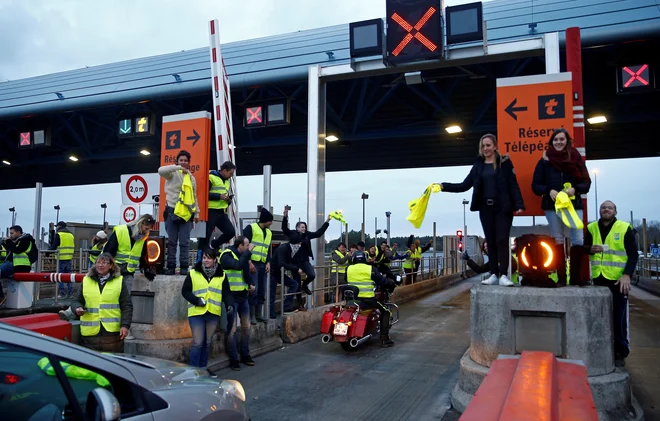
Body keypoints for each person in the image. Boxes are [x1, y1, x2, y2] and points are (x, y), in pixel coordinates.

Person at [441, 133, 525, 286]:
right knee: (491, 242)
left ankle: (503, 275)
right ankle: (493, 274)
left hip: (503, 208)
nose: (486, 148)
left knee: (501, 240)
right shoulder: (478, 166)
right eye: (483, 146)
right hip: (485, 209)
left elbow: (513, 185)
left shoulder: (504, 164)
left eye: (488, 145)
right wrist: (443, 186)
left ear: (494, 146)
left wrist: (519, 204)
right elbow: (464, 185)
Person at [532, 128, 591, 286]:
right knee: (557, 239)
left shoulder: (576, 158)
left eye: (562, 139)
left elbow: (586, 183)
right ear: (552, 142)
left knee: (577, 239)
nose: (559, 142)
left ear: (567, 141)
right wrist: (548, 190)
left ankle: (576, 278)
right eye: (556, 140)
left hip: (574, 205)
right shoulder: (544, 161)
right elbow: (535, 186)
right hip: (552, 207)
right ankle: (561, 279)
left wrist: (575, 189)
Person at [584, 201, 638, 367]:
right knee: (598, 317)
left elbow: (633, 255)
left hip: (618, 280)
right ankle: (599, 348)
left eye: (609, 207)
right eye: (603, 207)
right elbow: (583, 247)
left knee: (619, 317)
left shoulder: (624, 228)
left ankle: (620, 352)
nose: (606, 209)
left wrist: (627, 275)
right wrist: (589, 249)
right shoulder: (591, 227)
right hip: (598, 279)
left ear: (615, 211)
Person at [181, 248, 233, 368]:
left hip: (213, 313)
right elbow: (185, 291)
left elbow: (227, 293)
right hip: (196, 313)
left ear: (215, 259)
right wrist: (196, 300)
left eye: (209, 258)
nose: (206, 260)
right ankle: (193, 370)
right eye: (204, 258)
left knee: (207, 342)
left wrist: (229, 304)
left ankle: (203, 369)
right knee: (198, 342)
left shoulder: (222, 275)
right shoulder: (193, 272)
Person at [71, 253, 133, 352]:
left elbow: (126, 305)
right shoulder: (86, 280)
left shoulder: (119, 281)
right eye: (98, 262)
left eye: (104, 263)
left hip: (112, 334)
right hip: (90, 335)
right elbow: (76, 300)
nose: (100, 265)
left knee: (113, 363)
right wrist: (77, 308)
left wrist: (125, 325)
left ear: (111, 265)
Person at [158, 150, 200, 275]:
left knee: (185, 242)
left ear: (189, 162)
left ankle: (184, 267)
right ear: (177, 161)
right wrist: (177, 167)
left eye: (185, 160)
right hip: (171, 211)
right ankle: (171, 267)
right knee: (171, 241)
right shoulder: (172, 173)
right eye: (181, 160)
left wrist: (196, 213)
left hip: (186, 213)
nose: (183, 162)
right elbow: (161, 170)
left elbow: (194, 196)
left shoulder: (191, 178)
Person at [345, 251, 397, 348]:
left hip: (352, 300)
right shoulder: (370, 269)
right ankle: (385, 339)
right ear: (365, 258)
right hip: (367, 300)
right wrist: (390, 282)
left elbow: (345, 279)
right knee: (386, 312)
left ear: (353, 259)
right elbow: (382, 281)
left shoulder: (349, 268)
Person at [219, 236, 256, 371]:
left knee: (246, 327)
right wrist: (248, 253)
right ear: (240, 246)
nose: (248, 248)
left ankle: (245, 354)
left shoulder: (243, 256)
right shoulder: (226, 255)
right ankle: (234, 359)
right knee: (232, 330)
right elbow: (237, 265)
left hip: (243, 296)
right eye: (246, 246)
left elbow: (245, 274)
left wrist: (251, 284)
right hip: (231, 297)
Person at [281, 206, 331, 295]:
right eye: (302, 227)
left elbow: (318, 233)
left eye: (305, 227)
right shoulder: (292, 234)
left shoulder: (307, 234)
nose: (304, 229)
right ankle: (300, 304)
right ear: (297, 228)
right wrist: (285, 217)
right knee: (297, 282)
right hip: (294, 262)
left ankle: (305, 284)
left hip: (304, 260)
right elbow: (284, 228)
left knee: (312, 275)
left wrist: (327, 221)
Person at [102, 214, 157, 292]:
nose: (147, 231)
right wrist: (106, 270)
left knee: (126, 299)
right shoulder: (121, 231)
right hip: (114, 271)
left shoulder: (143, 237)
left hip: (128, 272)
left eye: (149, 229)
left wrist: (146, 268)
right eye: (146, 228)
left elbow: (143, 254)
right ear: (141, 224)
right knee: (111, 295)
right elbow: (108, 252)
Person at [243, 208, 273, 324]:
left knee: (261, 290)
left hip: (263, 263)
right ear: (265, 220)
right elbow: (245, 247)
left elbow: (268, 250)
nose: (271, 223)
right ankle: (251, 316)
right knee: (252, 290)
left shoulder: (269, 233)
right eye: (270, 221)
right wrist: (249, 263)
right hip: (253, 263)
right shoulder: (251, 228)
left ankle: (258, 314)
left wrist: (268, 262)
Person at [0, 226, 37, 306]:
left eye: (12, 233)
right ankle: (1, 296)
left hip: (19, 265)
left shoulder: (25, 240)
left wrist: (9, 241)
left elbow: (17, 250)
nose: (10, 235)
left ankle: (1, 297)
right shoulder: (18, 241)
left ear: (18, 232)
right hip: (13, 264)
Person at [205, 161, 237, 250]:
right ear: (224, 171)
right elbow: (204, 195)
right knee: (205, 237)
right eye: (230, 173)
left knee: (230, 232)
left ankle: (214, 245)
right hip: (210, 211)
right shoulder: (211, 178)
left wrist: (228, 200)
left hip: (221, 212)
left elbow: (224, 196)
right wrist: (218, 196)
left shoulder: (227, 182)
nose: (231, 176)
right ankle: (199, 262)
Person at [269, 234, 303, 318]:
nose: (300, 245)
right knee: (272, 294)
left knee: (294, 284)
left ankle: (286, 306)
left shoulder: (290, 249)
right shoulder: (283, 248)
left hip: (278, 272)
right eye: (299, 243)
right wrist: (296, 269)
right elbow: (282, 262)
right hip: (273, 272)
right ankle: (271, 314)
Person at [49, 221, 75, 298]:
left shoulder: (59, 234)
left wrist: (48, 251)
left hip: (60, 258)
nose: (56, 227)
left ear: (59, 226)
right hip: (69, 257)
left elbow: (54, 246)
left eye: (57, 226)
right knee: (69, 276)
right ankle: (70, 293)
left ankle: (62, 293)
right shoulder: (71, 235)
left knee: (60, 276)